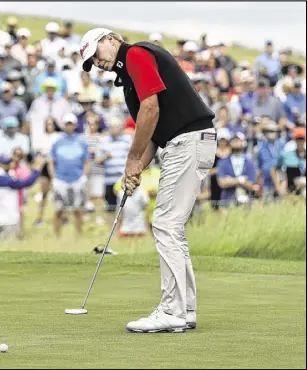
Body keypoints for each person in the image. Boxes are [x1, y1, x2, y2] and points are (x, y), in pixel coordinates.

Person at [80, 28, 216, 333]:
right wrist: (136, 169)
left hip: (188, 140)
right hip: (185, 142)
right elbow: (153, 134)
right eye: (91, 62)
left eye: (96, 53)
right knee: (172, 227)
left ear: (111, 39)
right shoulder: (128, 81)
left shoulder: (136, 54)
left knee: (165, 225)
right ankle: (186, 310)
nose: (97, 62)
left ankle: (172, 310)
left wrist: (131, 159)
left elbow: (151, 109)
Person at [0, 153, 45, 241]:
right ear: (6, 165)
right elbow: (28, 182)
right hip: (9, 221)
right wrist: (37, 168)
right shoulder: (9, 181)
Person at [48, 113, 91, 237]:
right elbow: (51, 161)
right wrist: (53, 178)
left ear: (75, 125)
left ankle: (78, 236)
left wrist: (84, 177)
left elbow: (87, 162)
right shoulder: (58, 141)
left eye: (71, 124)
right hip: (60, 179)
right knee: (58, 210)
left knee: (78, 210)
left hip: (77, 179)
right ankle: (57, 237)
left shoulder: (81, 141)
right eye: (67, 124)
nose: (69, 126)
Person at [33, 117, 63, 227]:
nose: (49, 126)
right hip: (45, 166)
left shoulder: (59, 137)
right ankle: (40, 217)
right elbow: (39, 154)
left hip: (56, 165)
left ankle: (62, 216)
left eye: (51, 124)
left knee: (59, 192)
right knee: (44, 192)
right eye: (47, 124)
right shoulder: (42, 137)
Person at [217, 133, 257, 207]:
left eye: (238, 140)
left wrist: (230, 180)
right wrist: (240, 180)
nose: (235, 142)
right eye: (233, 140)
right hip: (227, 202)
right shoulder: (223, 162)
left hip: (246, 202)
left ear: (243, 142)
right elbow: (222, 183)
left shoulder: (249, 162)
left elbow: (251, 185)